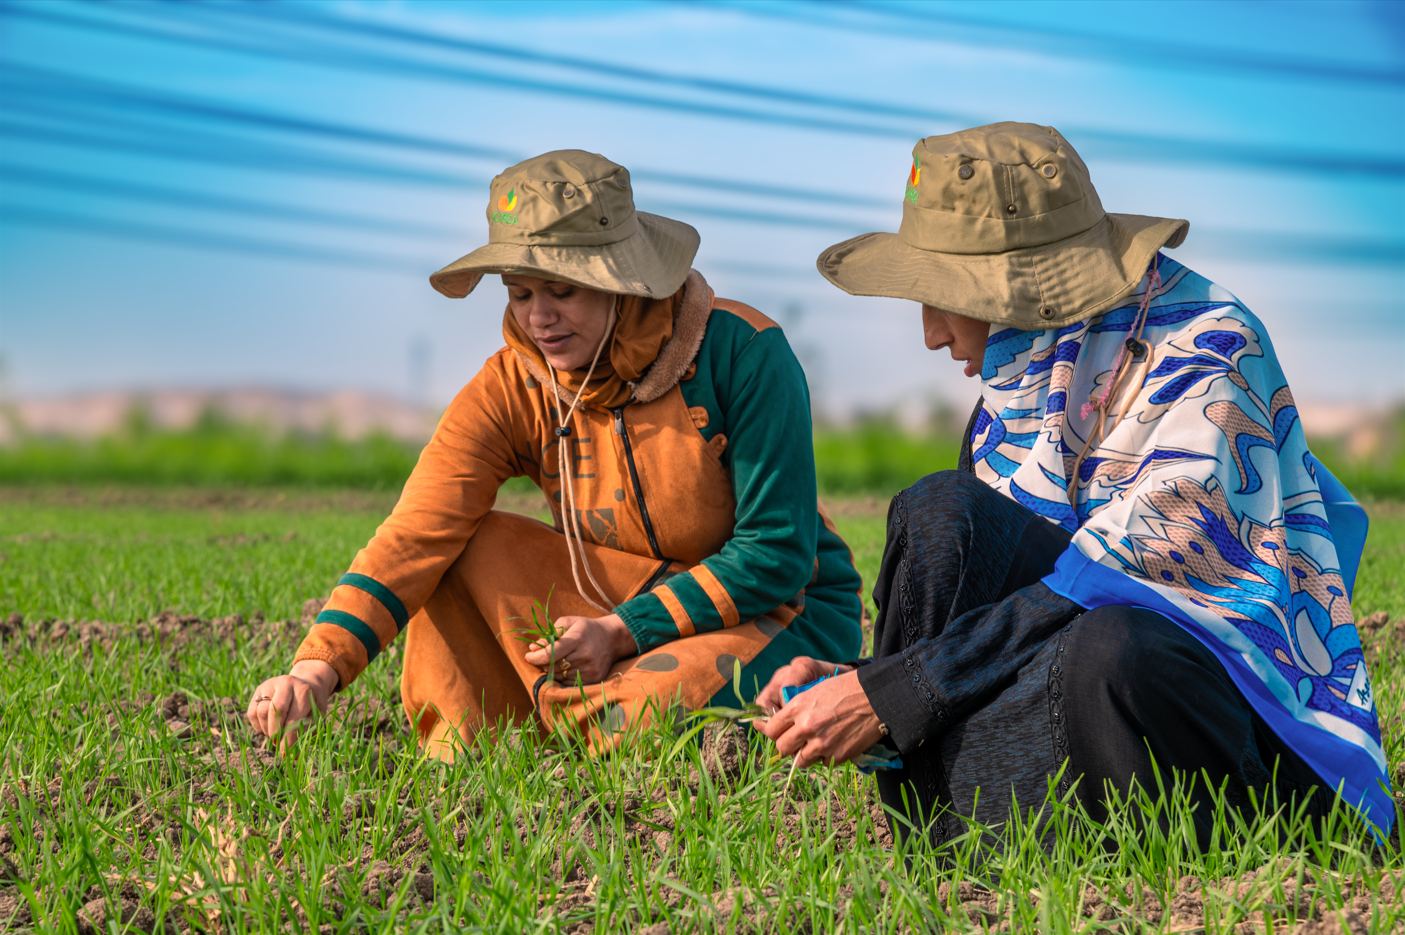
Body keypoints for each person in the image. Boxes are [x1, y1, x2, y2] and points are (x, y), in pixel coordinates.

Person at [755, 123, 1390, 846]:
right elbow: (1004, 618)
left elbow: (1104, 586)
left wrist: (897, 689)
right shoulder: (1028, 391)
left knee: (1112, 647)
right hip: (1092, 697)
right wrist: (863, 680)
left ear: (1023, 290)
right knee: (942, 510)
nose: (930, 333)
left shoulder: (1211, 351)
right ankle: (944, 806)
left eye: (942, 296)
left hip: (1226, 724)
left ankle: (1005, 812)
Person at [246, 150, 862, 759]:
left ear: (619, 279)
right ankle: (485, 743)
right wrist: (316, 667)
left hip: (779, 610)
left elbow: (776, 553)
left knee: (644, 726)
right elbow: (417, 532)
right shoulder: (511, 387)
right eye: (519, 294)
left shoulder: (743, 353)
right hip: (615, 601)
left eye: (562, 290)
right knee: (462, 547)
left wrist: (623, 632)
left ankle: (581, 714)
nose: (539, 318)